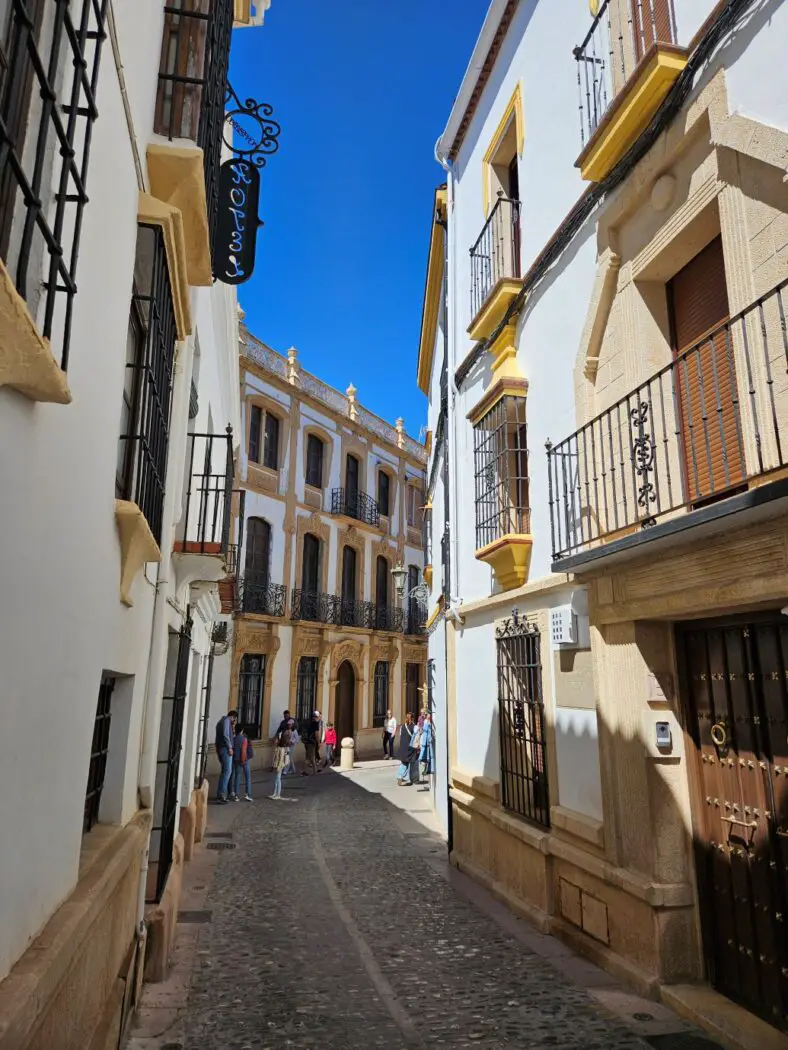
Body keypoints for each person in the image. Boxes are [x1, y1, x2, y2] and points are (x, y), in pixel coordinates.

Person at [214, 709, 237, 803]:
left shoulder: (220, 722)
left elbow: (218, 737)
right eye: (235, 719)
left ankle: (221, 794)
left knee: (225, 772)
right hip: (225, 749)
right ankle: (221, 795)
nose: (234, 721)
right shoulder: (226, 721)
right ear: (233, 717)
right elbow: (225, 735)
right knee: (227, 771)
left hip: (220, 748)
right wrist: (230, 747)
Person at [231, 725, 254, 801]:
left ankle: (236, 795)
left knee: (237, 776)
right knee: (247, 777)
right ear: (242, 730)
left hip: (236, 760)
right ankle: (248, 794)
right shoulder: (245, 739)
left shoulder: (233, 739)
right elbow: (249, 751)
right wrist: (247, 757)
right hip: (245, 760)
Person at [270, 725, 291, 800]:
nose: (275, 740)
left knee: (278, 779)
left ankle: (277, 794)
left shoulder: (281, 748)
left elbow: (281, 759)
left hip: (280, 765)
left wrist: (278, 767)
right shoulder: (279, 747)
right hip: (278, 764)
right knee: (276, 779)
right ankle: (275, 793)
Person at [396, 712, 416, 786]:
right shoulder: (414, 726)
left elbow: (400, 736)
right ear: (413, 718)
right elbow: (416, 737)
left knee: (404, 762)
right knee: (409, 763)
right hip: (410, 747)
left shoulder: (402, 726)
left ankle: (403, 776)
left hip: (403, 747)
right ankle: (401, 776)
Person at [303, 711, 321, 775]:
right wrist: (318, 743)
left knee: (310, 757)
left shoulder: (309, 723)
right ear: (317, 716)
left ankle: (314, 771)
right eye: (319, 716)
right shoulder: (316, 723)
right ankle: (309, 771)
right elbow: (317, 734)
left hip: (307, 742)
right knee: (310, 757)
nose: (319, 717)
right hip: (312, 742)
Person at [419, 714, 433, 779]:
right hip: (426, 740)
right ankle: (421, 761)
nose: (429, 716)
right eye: (428, 715)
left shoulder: (428, 721)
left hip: (428, 740)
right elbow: (425, 730)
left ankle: (427, 768)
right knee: (424, 752)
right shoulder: (426, 722)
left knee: (428, 754)